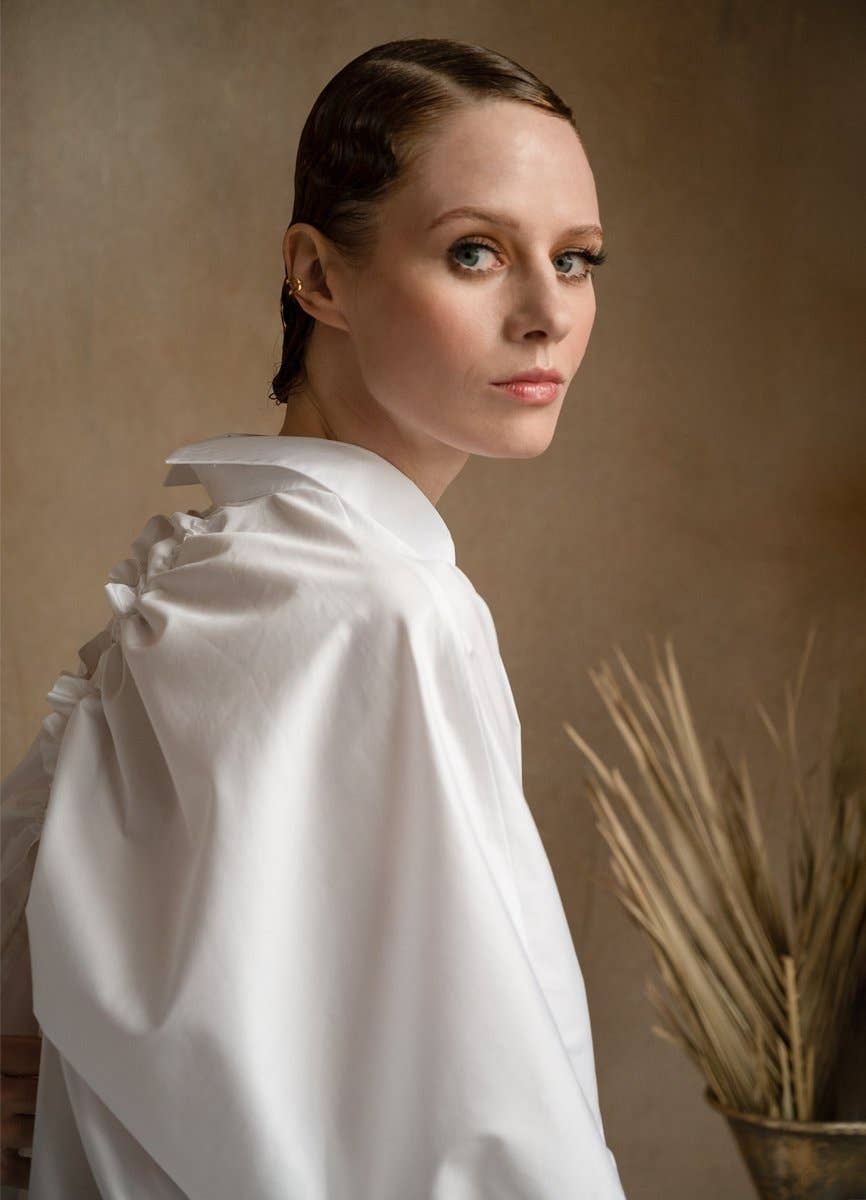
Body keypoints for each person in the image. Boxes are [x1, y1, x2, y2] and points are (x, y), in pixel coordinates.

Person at [0, 36, 625, 1198]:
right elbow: (492, 1117)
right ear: (318, 276)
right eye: (476, 252)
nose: (545, 314)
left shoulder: (217, 566)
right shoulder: (384, 609)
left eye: (577, 260)